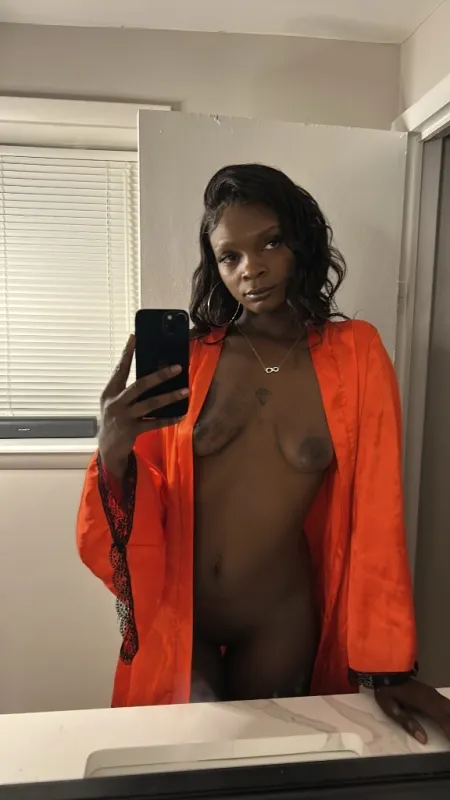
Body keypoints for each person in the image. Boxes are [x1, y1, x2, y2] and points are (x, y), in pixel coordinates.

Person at [77, 163, 450, 743]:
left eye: (270, 243)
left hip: (280, 619)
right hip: (185, 612)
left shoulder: (356, 354)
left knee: (269, 765)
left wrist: (387, 664)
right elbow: (144, 505)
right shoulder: (193, 359)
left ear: (301, 241)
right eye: (230, 256)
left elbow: (378, 507)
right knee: (188, 762)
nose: (250, 269)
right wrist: (112, 450)